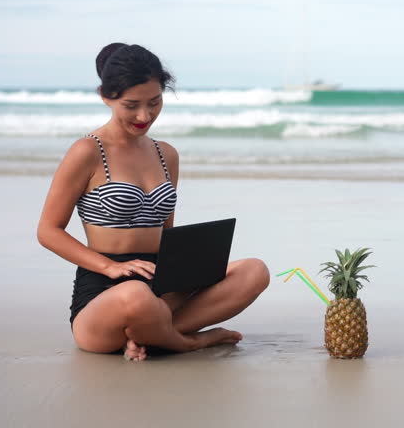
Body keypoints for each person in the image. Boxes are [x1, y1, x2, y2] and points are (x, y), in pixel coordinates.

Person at [37, 43, 270, 361]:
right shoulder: (87, 151)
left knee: (254, 271)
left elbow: (166, 232)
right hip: (106, 296)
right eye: (131, 105)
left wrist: (191, 268)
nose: (144, 116)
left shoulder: (166, 154)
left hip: (162, 290)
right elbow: (48, 231)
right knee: (136, 296)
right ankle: (189, 342)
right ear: (106, 96)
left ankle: (150, 335)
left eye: (154, 102)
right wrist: (111, 267)